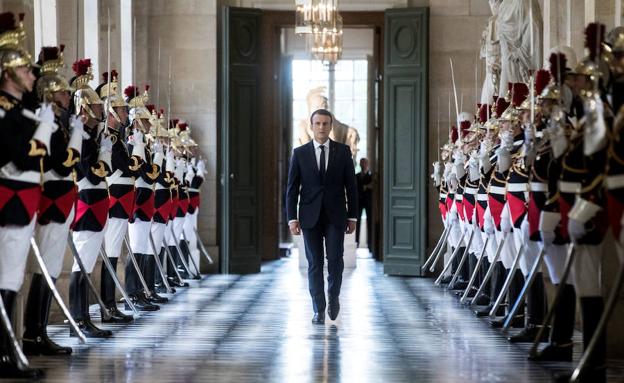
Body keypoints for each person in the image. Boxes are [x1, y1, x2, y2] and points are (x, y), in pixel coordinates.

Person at [286, 108, 358, 324]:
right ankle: (318, 308)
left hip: (336, 216)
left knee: (335, 260)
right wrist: (292, 218)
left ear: (330, 126)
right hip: (309, 217)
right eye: (317, 124)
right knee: (314, 263)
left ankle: (334, 296)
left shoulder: (343, 152)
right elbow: (292, 188)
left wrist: (353, 217)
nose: (321, 127)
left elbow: (351, 187)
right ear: (312, 126)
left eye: (325, 124)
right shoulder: (299, 153)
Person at [355, 158, 372, 250]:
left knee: (370, 222)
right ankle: (356, 243)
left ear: (367, 164)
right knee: (357, 222)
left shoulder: (371, 176)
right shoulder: (356, 176)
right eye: (362, 163)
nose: (363, 165)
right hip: (359, 202)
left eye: (365, 163)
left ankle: (370, 244)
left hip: (368, 202)